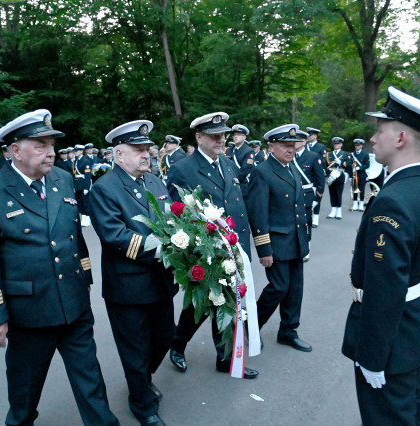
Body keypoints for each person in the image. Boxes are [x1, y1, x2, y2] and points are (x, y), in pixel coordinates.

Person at [0, 109, 118, 426]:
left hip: (74, 305)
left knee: (90, 380)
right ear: (15, 150)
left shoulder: (62, 179)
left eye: (52, 145)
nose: (51, 152)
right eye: (40, 145)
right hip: (29, 314)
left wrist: (86, 276)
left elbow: (73, 234)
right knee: (25, 391)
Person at [341, 86, 420, 425]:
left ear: (401, 137)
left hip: (388, 343)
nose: (373, 139)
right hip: (411, 328)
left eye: (381, 130)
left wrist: (374, 357)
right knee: (408, 413)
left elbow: (385, 286)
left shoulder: (393, 200)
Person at [89, 120, 176, 426]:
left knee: (165, 337)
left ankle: (142, 380)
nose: (145, 155)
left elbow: (172, 221)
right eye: (137, 150)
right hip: (129, 288)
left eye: (147, 149)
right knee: (135, 349)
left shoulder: (154, 182)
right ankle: (142, 404)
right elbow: (116, 236)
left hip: (162, 281)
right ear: (118, 155)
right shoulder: (104, 189)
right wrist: (166, 250)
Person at [166, 112, 258, 379]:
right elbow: (178, 214)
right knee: (202, 303)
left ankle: (226, 358)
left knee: (227, 302)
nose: (221, 140)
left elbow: (238, 207)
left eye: (223, 135)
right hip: (206, 251)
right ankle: (177, 344)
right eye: (214, 135)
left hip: (233, 248)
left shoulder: (229, 164)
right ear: (199, 137)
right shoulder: (184, 168)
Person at [247, 124, 311, 352]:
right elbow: (258, 213)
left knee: (295, 289)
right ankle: (251, 326)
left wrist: (305, 241)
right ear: (271, 146)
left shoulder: (291, 168)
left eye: (293, 146)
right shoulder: (262, 172)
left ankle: (288, 330)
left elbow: (299, 209)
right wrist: (264, 250)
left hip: (294, 242)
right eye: (285, 145)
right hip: (276, 243)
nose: (290, 149)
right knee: (279, 288)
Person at [293, 129, 325, 261]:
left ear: (304, 141)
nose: (296, 142)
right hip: (292, 194)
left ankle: (306, 249)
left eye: (299, 140)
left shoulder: (313, 156)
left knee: (305, 222)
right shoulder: (290, 156)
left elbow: (320, 179)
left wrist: (317, 197)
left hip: (306, 194)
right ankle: (295, 248)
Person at [225, 124, 255, 199]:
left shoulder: (249, 151)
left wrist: (233, 179)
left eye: (239, 134)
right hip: (229, 184)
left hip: (242, 185)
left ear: (244, 137)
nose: (235, 136)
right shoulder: (229, 150)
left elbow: (247, 169)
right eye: (234, 135)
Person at [325, 137, 351, 220]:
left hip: (340, 174)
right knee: (332, 193)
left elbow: (349, 164)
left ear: (341, 144)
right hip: (331, 174)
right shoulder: (329, 154)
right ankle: (333, 211)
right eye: (335, 144)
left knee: (338, 193)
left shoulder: (346, 154)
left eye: (338, 144)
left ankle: (338, 211)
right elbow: (325, 164)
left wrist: (341, 163)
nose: (336, 145)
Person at [305, 127, 326, 227]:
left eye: (310, 134)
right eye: (308, 134)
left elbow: (323, 161)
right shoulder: (305, 146)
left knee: (317, 196)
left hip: (316, 174)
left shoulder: (321, 147)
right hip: (307, 174)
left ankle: (315, 218)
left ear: (315, 136)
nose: (308, 136)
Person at [350, 138, 370, 212]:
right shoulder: (352, 154)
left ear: (361, 146)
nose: (357, 147)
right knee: (354, 189)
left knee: (361, 189)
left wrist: (359, 168)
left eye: (358, 145)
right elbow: (349, 164)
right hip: (354, 174)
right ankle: (355, 203)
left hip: (361, 174)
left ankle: (361, 204)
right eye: (356, 145)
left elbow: (367, 165)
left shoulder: (365, 154)